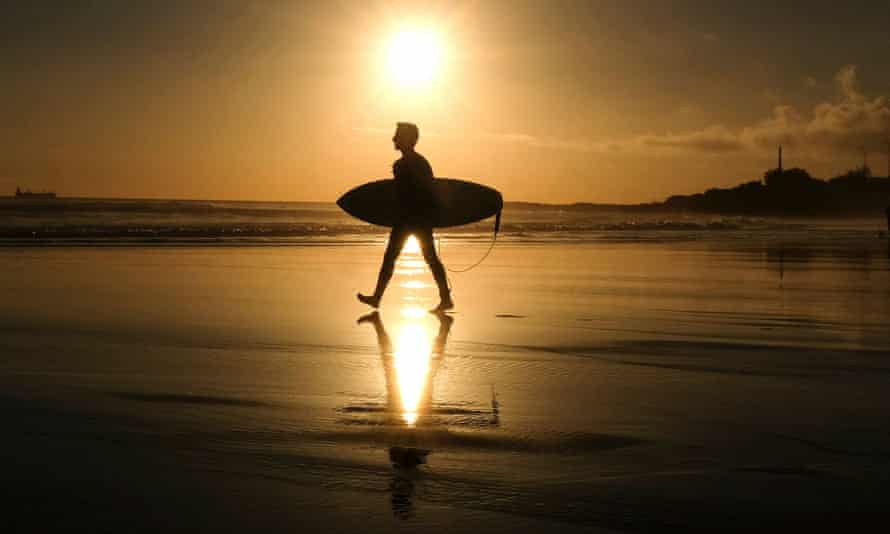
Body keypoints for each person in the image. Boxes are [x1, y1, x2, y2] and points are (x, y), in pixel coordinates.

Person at [358, 122, 453, 311]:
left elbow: (411, 193)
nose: (394, 139)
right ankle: (445, 299)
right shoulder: (419, 163)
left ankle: (378, 297)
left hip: (411, 219)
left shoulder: (406, 165)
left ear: (408, 139)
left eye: (397, 135)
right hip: (415, 219)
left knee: (407, 258)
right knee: (426, 258)